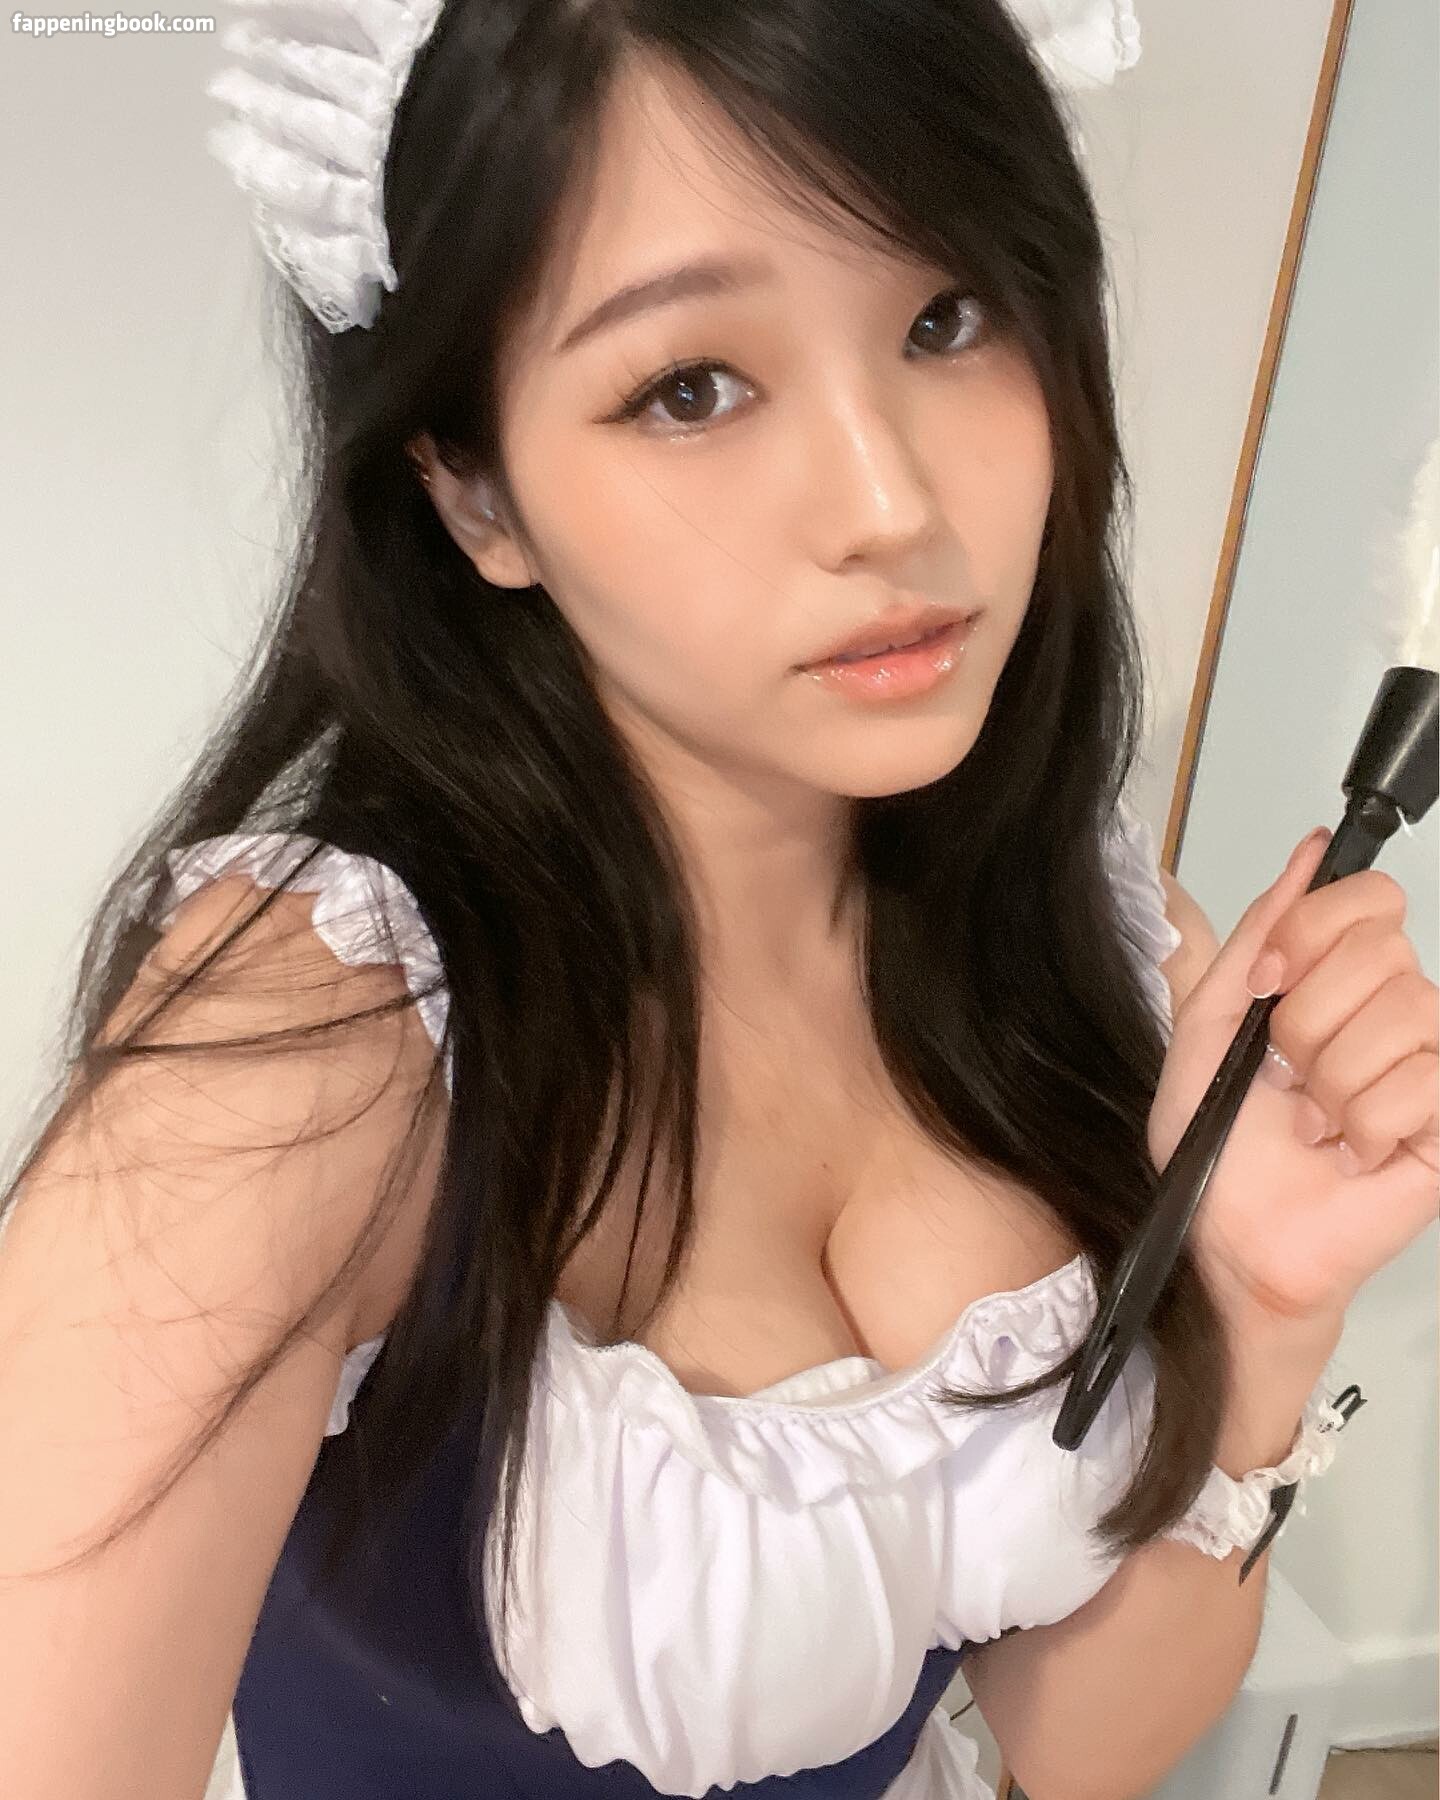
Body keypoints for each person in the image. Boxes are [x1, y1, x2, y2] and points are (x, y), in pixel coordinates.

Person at [2, 2, 1434, 1797]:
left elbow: (1074, 1750)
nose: (891, 502)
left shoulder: (1082, 925)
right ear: (472, 490)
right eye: (691, 386)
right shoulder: (306, 1047)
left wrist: (1262, 1304)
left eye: (946, 317)